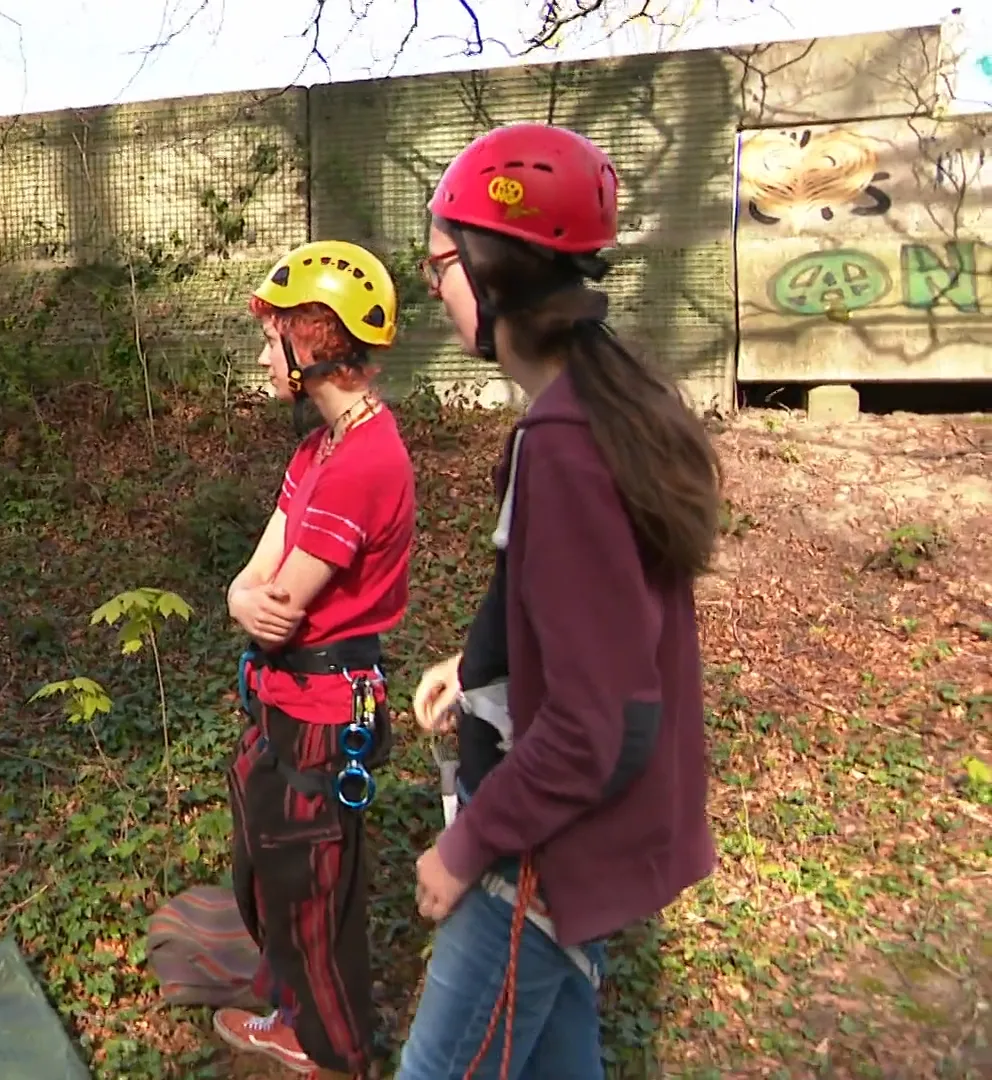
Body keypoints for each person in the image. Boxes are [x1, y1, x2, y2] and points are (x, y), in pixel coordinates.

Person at [398, 123, 722, 1079]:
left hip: (531, 869)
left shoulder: (568, 448)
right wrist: (480, 664)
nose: (430, 282)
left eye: (441, 261)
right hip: (564, 856)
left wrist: (467, 846)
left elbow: (597, 725)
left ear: (498, 275)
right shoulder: (588, 413)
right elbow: (599, 625)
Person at [214, 239, 416, 1078]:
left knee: (308, 889)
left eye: (275, 337)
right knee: (266, 863)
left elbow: (279, 607)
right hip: (288, 706)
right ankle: (290, 1001)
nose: (265, 353)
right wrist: (239, 597)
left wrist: (251, 604)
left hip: (323, 717)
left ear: (316, 341)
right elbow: (251, 583)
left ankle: (332, 1050)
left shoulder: (365, 461)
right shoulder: (319, 451)